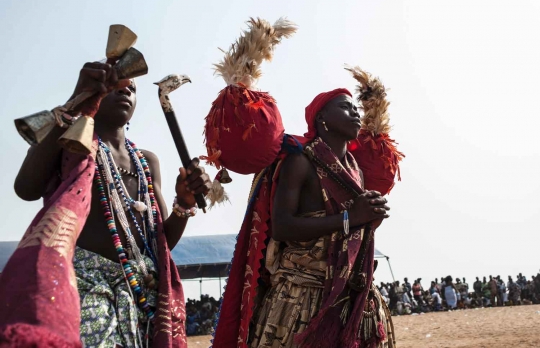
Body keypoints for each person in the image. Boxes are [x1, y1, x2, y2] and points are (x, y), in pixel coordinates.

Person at [9, 61, 212, 347]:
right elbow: (25, 188)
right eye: (117, 86)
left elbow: (159, 246)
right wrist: (76, 100)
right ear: (97, 93)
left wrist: (184, 202)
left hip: (143, 296)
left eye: (132, 88)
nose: (126, 91)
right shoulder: (72, 144)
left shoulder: (147, 162)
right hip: (87, 290)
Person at [213, 83, 400, 348]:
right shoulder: (301, 161)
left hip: (352, 295)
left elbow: (349, 230)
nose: (355, 113)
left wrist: (371, 217)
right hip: (303, 298)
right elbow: (283, 226)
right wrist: (351, 218)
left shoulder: (355, 169)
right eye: (345, 107)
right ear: (321, 118)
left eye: (355, 108)